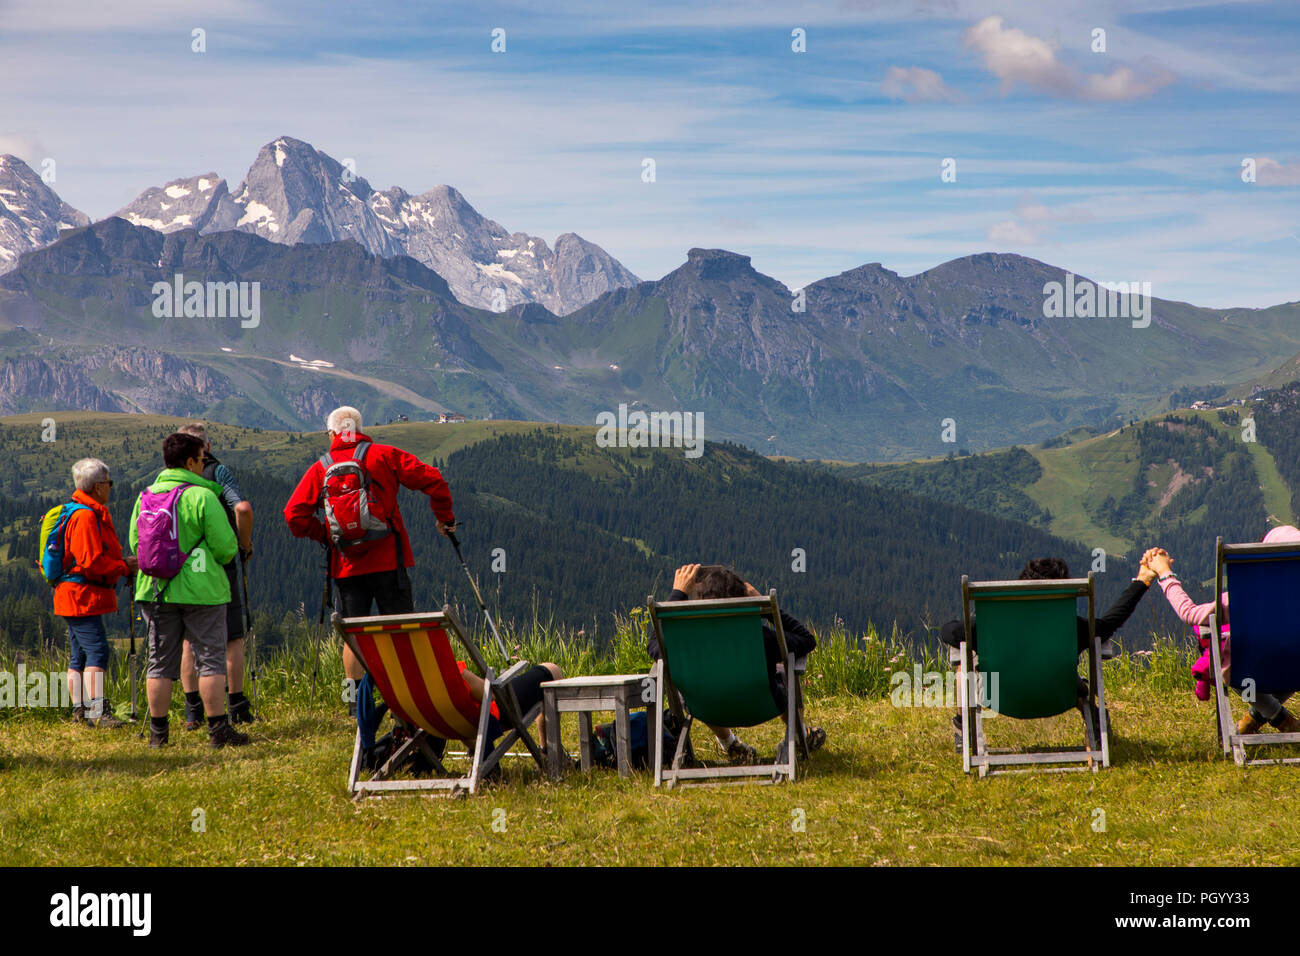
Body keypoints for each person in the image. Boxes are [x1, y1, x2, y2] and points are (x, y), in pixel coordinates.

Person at [283, 405, 456, 712]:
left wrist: (325, 535)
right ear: (359, 428)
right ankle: (405, 698)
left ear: (333, 433)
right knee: (400, 630)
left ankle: (354, 703)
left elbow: (293, 514)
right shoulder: (385, 455)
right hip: (390, 560)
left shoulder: (321, 467)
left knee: (354, 634)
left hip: (346, 565)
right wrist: (444, 519)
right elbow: (434, 480)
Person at [940, 555, 1158, 747]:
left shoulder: (990, 627)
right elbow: (1111, 622)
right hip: (1059, 693)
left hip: (999, 696)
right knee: (1081, 686)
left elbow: (950, 633)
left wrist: (961, 623)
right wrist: (1142, 581)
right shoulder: (1073, 627)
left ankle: (963, 732)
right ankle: (1096, 725)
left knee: (963, 666)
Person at [131, 432, 247, 748]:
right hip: (203, 590)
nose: (202, 465)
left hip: (156, 590)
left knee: (159, 663)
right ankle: (218, 730)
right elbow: (225, 548)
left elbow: (135, 545)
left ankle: (158, 734)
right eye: (200, 459)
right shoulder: (203, 496)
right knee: (209, 659)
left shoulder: (145, 496)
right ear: (191, 461)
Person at [648, 563, 824, 762]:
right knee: (784, 672)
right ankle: (800, 735)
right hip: (760, 706)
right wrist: (765, 606)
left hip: (705, 707)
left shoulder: (687, 646)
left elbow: (654, 645)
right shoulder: (760, 639)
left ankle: (730, 744)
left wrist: (678, 594)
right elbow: (807, 640)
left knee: (697, 683)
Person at [1145, 528, 1300, 733]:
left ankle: (1281, 720)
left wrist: (1164, 574)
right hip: (1295, 668)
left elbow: (1188, 613)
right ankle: (1269, 719)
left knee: (1230, 665)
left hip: (1247, 671)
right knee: (1287, 659)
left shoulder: (1245, 597)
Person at [176, 423, 255, 728]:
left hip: (180, 567)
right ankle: (236, 704)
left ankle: (192, 709)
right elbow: (242, 508)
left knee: (187, 640)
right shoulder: (218, 473)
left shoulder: (167, 480)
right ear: (205, 447)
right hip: (219, 563)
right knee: (232, 637)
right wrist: (244, 545)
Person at [54, 459, 137, 728]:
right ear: (97, 486)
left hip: (72, 594)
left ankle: (81, 711)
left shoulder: (75, 511)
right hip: (82, 596)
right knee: (98, 652)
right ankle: (97, 712)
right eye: (108, 483)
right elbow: (91, 562)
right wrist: (123, 567)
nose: (111, 488)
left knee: (79, 655)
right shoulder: (87, 516)